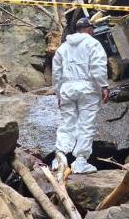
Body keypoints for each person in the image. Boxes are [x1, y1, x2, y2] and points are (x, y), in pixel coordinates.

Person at [52, 17, 109, 174]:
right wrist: (104, 85)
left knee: (67, 122)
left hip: (67, 88)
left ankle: (60, 158)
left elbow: (56, 73)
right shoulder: (93, 44)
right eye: (92, 28)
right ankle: (80, 162)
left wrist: (58, 93)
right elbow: (98, 66)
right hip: (88, 89)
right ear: (89, 29)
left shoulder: (62, 48)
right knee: (86, 124)